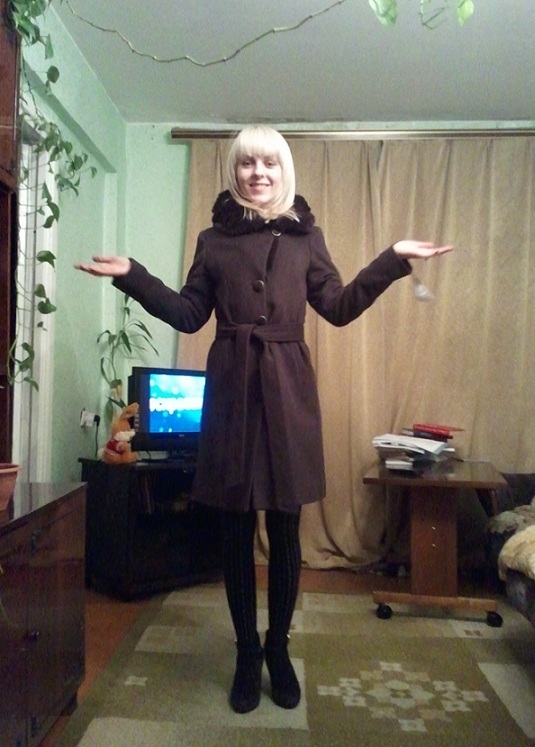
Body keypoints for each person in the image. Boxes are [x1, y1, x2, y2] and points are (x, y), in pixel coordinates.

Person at [75, 125, 453, 714]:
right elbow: (189, 313)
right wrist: (134, 275)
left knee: (284, 525)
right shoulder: (213, 240)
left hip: (288, 393)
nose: (258, 173)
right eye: (247, 163)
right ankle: (247, 653)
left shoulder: (307, 239)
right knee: (234, 527)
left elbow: (339, 306)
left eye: (269, 163)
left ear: (284, 170)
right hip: (231, 391)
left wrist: (393, 261)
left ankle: (278, 647)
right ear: (235, 171)